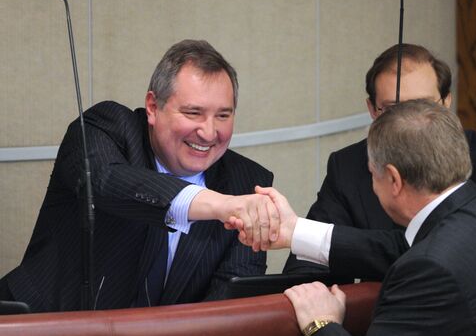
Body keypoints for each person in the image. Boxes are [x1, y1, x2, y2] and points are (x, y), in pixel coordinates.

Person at [257, 100, 476, 336]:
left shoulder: (429, 267)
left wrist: (321, 323)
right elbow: (405, 246)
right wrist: (294, 231)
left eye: (373, 173)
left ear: (394, 179)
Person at [0, 39, 279, 313]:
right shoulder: (106, 128)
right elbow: (105, 182)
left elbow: (229, 305)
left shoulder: (246, 184)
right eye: (193, 113)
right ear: (153, 107)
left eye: (223, 116)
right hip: (34, 331)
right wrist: (220, 205)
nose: (208, 132)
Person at [284, 44, 476, 278]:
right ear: (372, 110)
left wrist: (300, 232)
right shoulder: (347, 166)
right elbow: (305, 269)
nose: (409, 124)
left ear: (447, 102)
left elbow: (463, 258)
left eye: (424, 106)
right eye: (393, 110)